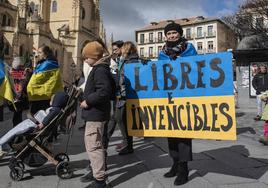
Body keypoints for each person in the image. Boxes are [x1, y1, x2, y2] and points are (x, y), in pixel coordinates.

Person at [158, 22, 197, 186]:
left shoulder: (189, 48)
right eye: (169, 33)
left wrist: (184, 62)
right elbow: (158, 73)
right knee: (171, 134)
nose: (172, 35)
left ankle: (183, 169)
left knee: (183, 135)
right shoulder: (162, 53)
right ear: (166, 36)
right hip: (168, 98)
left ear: (180, 34)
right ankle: (174, 163)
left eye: (174, 32)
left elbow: (198, 67)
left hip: (185, 97)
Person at [80, 40, 115, 188]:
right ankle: (98, 177)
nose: (84, 60)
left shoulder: (100, 69)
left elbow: (104, 91)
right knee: (95, 145)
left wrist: (88, 101)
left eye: (85, 57)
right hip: (97, 114)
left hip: (96, 114)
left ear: (93, 56)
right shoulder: (101, 68)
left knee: (94, 146)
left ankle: (99, 181)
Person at [0, 91, 69, 159]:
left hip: (34, 125)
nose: (50, 101)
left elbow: (48, 118)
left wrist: (42, 124)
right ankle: (13, 145)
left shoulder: (55, 109)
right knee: (14, 131)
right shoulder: (57, 109)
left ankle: (2, 143)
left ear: (57, 101)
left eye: (52, 100)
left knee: (13, 132)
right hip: (33, 123)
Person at [116, 41, 139, 155]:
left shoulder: (130, 62)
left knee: (121, 119)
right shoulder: (130, 61)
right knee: (123, 119)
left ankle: (128, 145)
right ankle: (128, 144)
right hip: (125, 94)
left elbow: (124, 78)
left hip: (125, 94)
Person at [27, 45, 64, 115]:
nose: (37, 54)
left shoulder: (48, 64)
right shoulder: (47, 62)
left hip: (43, 96)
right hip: (42, 96)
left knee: (38, 116)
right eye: (37, 52)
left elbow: (38, 78)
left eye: (40, 52)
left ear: (46, 53)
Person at [9, 57, 31, 127]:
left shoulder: (13, 73)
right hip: (20, 99)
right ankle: (17, 131)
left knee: (17, 116)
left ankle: (16, 131)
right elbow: (20, 87)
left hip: (17, 99)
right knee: (18, 116)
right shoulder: (21, 74)